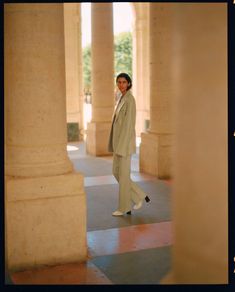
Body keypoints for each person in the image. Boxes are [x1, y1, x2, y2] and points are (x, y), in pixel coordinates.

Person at [108, 73, 150, 216]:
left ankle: (124, 207)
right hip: (118, 143)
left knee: (123, 175)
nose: (121, 85)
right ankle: (139, 195)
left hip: (124, 145)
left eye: (124, 82)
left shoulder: (130, 100)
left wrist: (121, 147)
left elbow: (128, 125)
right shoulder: (121, 98)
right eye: (119, 82)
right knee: (116, 172)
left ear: (129, 83)